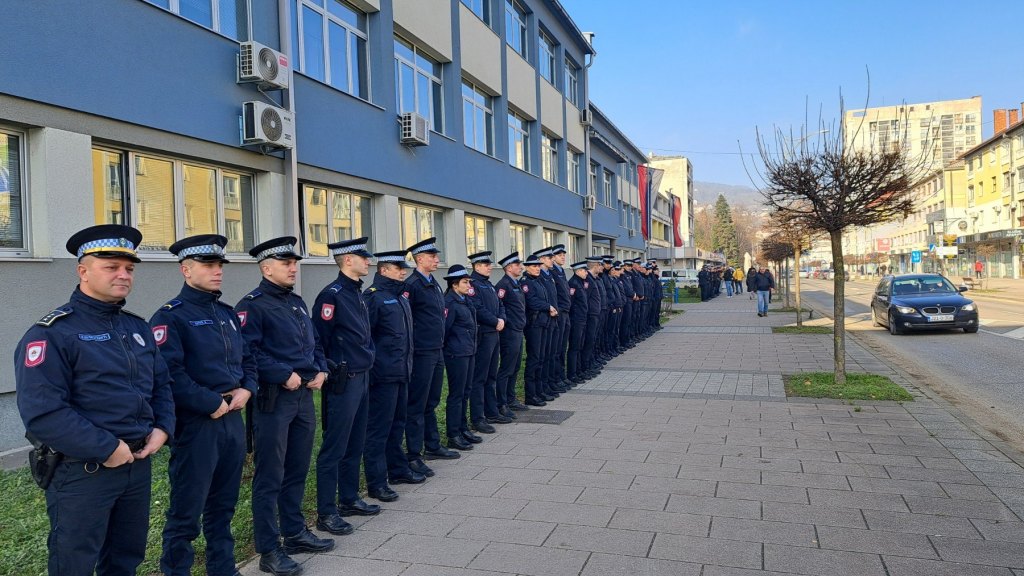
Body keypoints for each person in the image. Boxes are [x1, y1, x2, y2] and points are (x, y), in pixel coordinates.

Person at [16, 224, 175, 576]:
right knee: (74, 562)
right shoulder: (53, 333)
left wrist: (163, 428)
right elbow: (44, 413)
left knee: (125, 559)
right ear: (83, 271)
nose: (123, 275)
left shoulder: (137, 327)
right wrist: (107, 448)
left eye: (129, 269)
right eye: (111, 267)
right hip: (84, 471)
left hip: (136, 464)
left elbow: (161, 385)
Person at [151, 234, 256, 576]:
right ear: (186, 269)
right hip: (199, 423)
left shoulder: (226, 314)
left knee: (223, 506)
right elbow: (169, 373)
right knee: (186, 511)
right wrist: (210, 401)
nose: (217, 272)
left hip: (232, 418)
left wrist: (246, 390)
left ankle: (223, 568)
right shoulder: (171, 316)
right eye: (208, 265)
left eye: (219, 265)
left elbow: (248, 359)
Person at [236, 236, 334, 576]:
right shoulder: (252, 306)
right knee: (270, 475)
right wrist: (282, 374)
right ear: (266, 268)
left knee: (296, 468)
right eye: (286, 263)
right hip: (274, 400)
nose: (294, 268)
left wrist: (321, 367)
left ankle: (294, 532)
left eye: (295, 263)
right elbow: (248, 352)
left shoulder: (295, 302)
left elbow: (314, 342)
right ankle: (269, 549)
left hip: (304, 397)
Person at [312, 237, 380, 537]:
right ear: (348, 260)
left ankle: (349, 498)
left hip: (363, 376)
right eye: (363, 257)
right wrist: (331, 369)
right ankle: (326, 512)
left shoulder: (357, 293)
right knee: (335, 447)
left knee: (356, 441)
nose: (368, 262)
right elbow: (321, 340)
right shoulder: (332, 296)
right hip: (343, 380)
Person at [362, 250, 424, 504]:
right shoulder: (374, 298)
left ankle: (397, 470)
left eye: (404, 267)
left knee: (397, 423)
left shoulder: (400, 298)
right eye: (398, 267)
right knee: (379, 429)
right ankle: (377, 482)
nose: (403, 271)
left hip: (401, 372)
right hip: (383, 375)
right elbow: (367, 338)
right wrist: (376, 369)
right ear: (383, 270)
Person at [404, 237, 459, 476]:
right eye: (433, 256)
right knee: (417, 403)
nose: (437, 259)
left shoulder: (432, 282)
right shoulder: (413, 285)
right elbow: (408, 321)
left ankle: (433, 444)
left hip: (436, 350)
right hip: (421, 352)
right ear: (419, 259)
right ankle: (414, 454)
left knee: (432, 400)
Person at [466, 251, 507, 434]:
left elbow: (501, 305)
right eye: (485, 264)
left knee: (491, 375)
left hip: (495, 333)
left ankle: (492, 411)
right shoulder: (473, 285)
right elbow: (478, 308)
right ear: (476, 266)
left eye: (489, 264)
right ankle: (478, 417)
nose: (490, 266)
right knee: (480, 377)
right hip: (484, 334)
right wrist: (495, 321)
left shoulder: (488, 284)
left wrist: (502, 319)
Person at [442, 265, 479, 450]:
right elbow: (445, 330)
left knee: (466, 391)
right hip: (456, 353)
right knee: (456, 394)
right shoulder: (449, 302)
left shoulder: (465, 300)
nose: (468, 285)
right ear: (455, 285)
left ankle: (463, 428)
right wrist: (451, 348)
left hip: (469, 351)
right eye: (465, 282)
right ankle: (453, 434)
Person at [494, 252, 528, 416]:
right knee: (507, 368)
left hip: (518, 330)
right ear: (508, 267)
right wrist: (508, 322)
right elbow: (499, 306)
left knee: (515, 367)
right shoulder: (503, 285)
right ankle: (502, 403)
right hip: (509, 332)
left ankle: (511, 397)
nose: (521, 267)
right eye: (517, 265)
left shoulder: (516, 284)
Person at [521, 253, 555, 406]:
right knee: (534, 359)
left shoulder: (539, 280)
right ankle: (530, 394)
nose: (537, 268)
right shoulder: (526, 282)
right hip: (534, 324)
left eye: (538, 266)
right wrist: (547, 307)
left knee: (542, 357)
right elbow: (532, 301)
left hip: (543, 322)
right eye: (534, 266)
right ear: (527, 267)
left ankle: (539, 390)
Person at [549, 245, 573, 391]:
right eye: (559, 255)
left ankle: (561, 376)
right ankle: (556, 378)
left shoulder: (561, 271)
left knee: (563, 346)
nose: (563, 257)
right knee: (556, 348)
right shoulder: (552, 272)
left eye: (564, 254)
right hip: (559, 313)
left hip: (566, 313)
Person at [566, 260, 590, 384]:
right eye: (584, 270)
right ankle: (572, 373)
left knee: (580, 345)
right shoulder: (573, 284)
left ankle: (579, 371)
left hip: (582, 318)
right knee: (574, 347)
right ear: (579, 271)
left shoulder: (581, 282)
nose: (586, 272)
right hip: (576, 320)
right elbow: (571, 303)